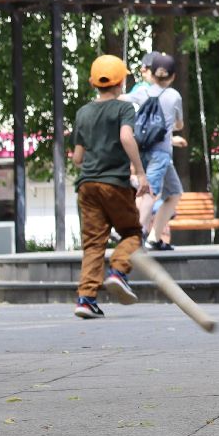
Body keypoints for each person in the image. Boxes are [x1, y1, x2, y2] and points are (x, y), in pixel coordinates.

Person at [71, 55, 153, 319]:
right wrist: (140, 173)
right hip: (114, 183)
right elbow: (126, 136)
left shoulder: (83, 112)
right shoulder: (124, 108)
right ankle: (118, 271)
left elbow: (77, 158)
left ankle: (86, 299)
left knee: (93, 244)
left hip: (87, 185)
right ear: (122, 81)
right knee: (132, 233)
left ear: (93, 82)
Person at [126, 51, 187, 251]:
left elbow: (121, 99)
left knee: (175, 193)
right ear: (173, 76)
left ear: (151, 74)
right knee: (149, 193)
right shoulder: (174, 96)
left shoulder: (142, 92)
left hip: (143, 150)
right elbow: (179, 124)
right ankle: (132, 236)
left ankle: (153, 238)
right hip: (161, 153)